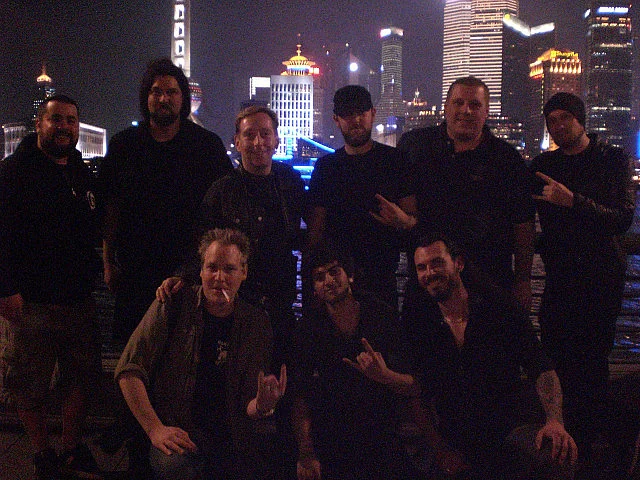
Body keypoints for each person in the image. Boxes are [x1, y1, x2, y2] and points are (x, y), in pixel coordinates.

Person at [115, 228, 287, 479]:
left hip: (229, 439)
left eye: (229, 269)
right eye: (212, 268)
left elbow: (248, 405)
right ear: (201, 271)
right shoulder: (174, 302)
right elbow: (129, 371)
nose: (219, 277)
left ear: (244, 272)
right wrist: (155, 429)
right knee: (177, 468)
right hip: (178, 432)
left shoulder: (256, 323)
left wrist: (263, 405)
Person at [404, 232, 577, 479]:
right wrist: (441, 450)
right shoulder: (420, 322)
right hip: (453, 437)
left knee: (557, 452)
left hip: (507, 431)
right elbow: (415, 393)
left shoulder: (499, 308)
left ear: (458, 263)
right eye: (421, 267)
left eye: (437, 263)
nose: (429, 273)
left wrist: (554, 421)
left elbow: (540, 366)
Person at [0, 95, 102, 479]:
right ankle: (43, 454)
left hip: (78, 298)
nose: (64, 127)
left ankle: (71, 449)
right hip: (30, 301)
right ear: (39, 123)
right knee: (28, 383)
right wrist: (5, 289)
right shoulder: (13, 172)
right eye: (56, 119)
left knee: (82, 378)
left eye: (71, 121)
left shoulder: (79, 171)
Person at [530, 92, 635, 460]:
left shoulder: (612, 159)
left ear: (581, 119)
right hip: (559, 278)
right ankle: (561, 436)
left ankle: (589, 445)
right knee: (554, 356)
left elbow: (622, 219)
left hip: (600, 279)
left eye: (565, 118)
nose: (558, 126)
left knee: (592, 361)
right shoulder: (543, 164)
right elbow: (515, 205)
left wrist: (573, 201)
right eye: (552, 120)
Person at [99, 57, 232, 344]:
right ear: (145, 98)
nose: (163, 99)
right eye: (156, 92)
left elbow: (224, 210)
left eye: (171, 92)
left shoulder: (206, 147)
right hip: (134, 271)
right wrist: (108, 263)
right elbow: (110, 208)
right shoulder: (124, 146)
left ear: (183, 98)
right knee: (133, 351)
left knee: (186, 351)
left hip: (191, 271)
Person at [397, 76, 535, 309]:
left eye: (475, 105)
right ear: (446, 107)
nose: (466, 111)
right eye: (458, 103)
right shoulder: (415, 147)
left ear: (486, 111)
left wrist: (523, 281)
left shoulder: (507, 159)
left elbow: (523, 225)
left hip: (489, 283)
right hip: (428, 282)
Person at [292, 243, 421, 480]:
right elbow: (301, 395)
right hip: (332, 445)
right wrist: (306, 450)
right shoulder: (308, 329)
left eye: (334, 272)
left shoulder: (380, 316)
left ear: (349, 275)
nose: (328, 281)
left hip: (382, 440)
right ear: (314, 289)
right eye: (319, 277)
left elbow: (415, 385)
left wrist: (385, 376)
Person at [306, 85, 415, 308]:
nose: (356, 120)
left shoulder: (397, 161)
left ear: (372, 113)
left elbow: (413, 218)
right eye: (348, 114)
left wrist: (402, 220)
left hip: (382, 278)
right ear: (336, 120)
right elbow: (315, 233)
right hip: (336, 280)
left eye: (361, 113)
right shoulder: (326, 168)